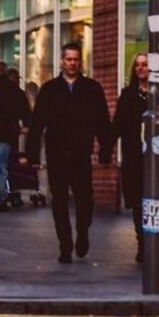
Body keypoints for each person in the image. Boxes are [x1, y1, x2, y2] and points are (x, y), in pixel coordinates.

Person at [26, 41, 114, 263]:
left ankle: (82, 233)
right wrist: (33, 155)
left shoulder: (91, 89)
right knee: (59, 201)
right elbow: (36, 124)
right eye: (68, 60)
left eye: (75, 60)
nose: (72, 63)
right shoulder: (50, 89)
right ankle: (65, 245)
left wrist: (105, 149)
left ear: (80, 61)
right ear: (62, 61)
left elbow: (103, 121)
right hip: (56, 155)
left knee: (85, 200)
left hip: (81, 155)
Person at [113, 53, 159, 258]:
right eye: (138, 65)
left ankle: (155, 237)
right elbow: (119, 124)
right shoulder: (128, 95)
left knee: (158, 197)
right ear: (134, 69)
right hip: (135, 156)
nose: (142, 68)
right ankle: (142, 240)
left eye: (145, 65)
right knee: (138, 200)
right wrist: (107, 147)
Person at [0, 62, 30, 212]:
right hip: (6, 134)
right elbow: (24, 110)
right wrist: (25, 124)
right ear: (5, 72)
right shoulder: (14, 89)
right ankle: (2, 198)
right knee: (2, 167)